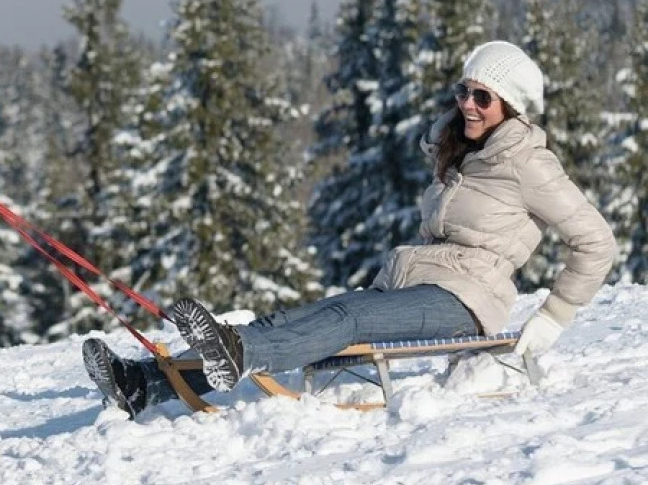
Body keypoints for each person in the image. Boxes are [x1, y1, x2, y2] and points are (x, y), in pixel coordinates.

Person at [84, 39, 616, 416]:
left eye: (483, 97)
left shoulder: (528, 162)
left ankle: (239, 352)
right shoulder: (468, 156)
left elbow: (595, 241)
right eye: (464, 91)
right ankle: (148, 384)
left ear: (512, 106)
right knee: (299, 317)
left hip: (468, 301)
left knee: (349, 317)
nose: (468, 105)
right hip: (422, 283)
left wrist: (555, 316)